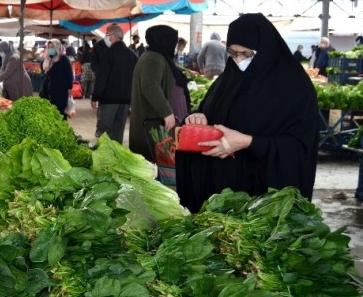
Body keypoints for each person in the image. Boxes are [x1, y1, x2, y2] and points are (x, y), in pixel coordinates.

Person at [176, 13, 318, 213]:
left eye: (246, 54)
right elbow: (210, 111)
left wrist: (248, 142)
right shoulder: (228, 79)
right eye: (233, 53)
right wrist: (199, 118)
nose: (239, 60)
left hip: (259, 199)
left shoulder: (295, 89)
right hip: (219, 191)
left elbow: (300, 147)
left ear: (266, 49)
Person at [129, 25, 182, 161]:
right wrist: (167, 112)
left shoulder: (153, 56)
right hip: (150, 121)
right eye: (173, 43)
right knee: (149, 160)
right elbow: (150, 86)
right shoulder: (153, 58)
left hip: (149, 119)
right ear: (164, 41)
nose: (174, 47)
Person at [90, 24, 138, 143]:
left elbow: (102, 78)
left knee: (104, 134)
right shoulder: (132, 55)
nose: (106, 38)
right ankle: (117, 158)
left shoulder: (108, 54)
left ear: (113, 36)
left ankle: (105, 159)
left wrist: (95, 96)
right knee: (118, 133)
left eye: (107, 35)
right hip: (125, 100)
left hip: (109, 100)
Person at [39, 38, 73, 120]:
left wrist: (69, 88)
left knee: (59, 113)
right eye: (49, 47)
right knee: (48, 113)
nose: (51, 49)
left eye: (53, 47)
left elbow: (69, 74)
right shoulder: (47, 59)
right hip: (47, 91)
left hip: (60, 91)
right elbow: (44, 74)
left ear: (57, 47)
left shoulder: (64, 59)